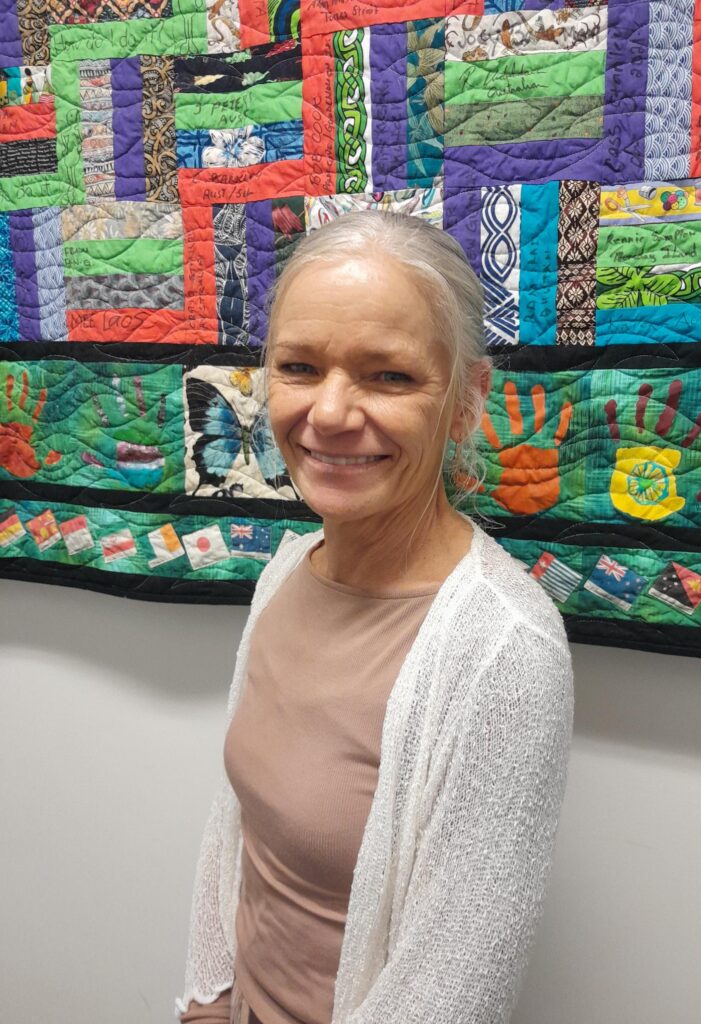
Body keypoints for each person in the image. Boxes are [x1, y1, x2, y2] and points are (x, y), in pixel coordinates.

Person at [176, 210, 574, 1024]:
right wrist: (205, 1003)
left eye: (387, 376)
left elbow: (453, 994)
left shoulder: (505, 652)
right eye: (299, 366)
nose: (328, 413)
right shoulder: (287, 571)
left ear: (464, 403)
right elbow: (238, 836)